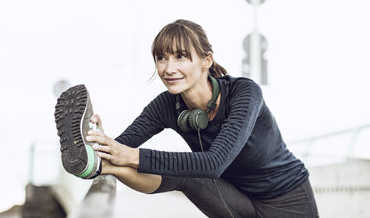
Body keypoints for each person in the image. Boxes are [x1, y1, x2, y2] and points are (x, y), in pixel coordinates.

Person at [55, 19, 319, 218]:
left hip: (288, 203)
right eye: (161, 58)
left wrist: (131, 155)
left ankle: (100, 164)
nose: (169, 69)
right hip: (237, 200)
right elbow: (122, 147)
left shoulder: (244, 93)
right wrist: (103, 142)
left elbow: (214, 163)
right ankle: (98, 166)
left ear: (206, 61)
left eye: (181, 56)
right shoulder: (166, 105)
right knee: (185, 176)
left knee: (193, 168)